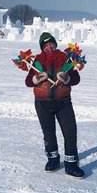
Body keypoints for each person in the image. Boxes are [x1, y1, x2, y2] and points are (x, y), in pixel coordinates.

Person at [25, 32, 85, 178]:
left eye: (51, 43)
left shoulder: (65, 58)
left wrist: (66, 78)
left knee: (70, 132)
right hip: (42, 104)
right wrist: (36, 78)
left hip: (63, 102)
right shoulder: (37, 60)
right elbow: (28, 82)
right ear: (41, 47)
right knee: (48, 133)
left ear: (55, 44)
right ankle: (53, 159)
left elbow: (76, 78)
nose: (49, 47)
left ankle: (71, 164)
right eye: (45, 45)